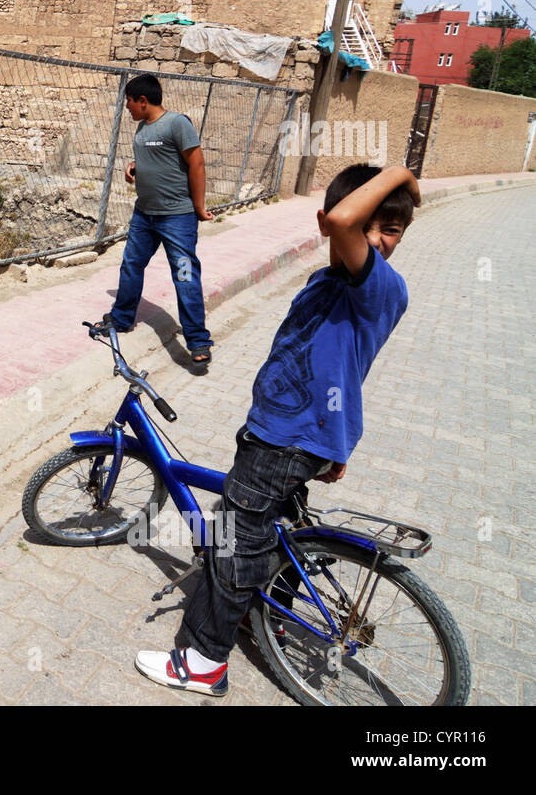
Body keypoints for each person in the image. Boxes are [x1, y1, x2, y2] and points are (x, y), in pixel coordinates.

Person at [134, 162, 420, 696]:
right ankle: (265, 616)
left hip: (285, 439)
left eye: (392, 230)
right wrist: (334, 442)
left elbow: (343, 220)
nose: (379, 241)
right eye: (371, 229)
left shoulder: (380, 287)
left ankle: (201, 660)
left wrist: (402, 173)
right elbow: (339, 363)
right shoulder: (327, 281)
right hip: (289, 433)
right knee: (267, 532)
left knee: (232, 543)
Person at [107, 74, 215, 364]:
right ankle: (120, 319)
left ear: (142, 101)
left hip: (176, 217)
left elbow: (197, 164)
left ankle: (198, 341)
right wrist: (134, 167)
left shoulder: (178, 123)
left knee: (184, 274)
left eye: (129, 101)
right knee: (131, 265)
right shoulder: (142, 129)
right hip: (144, 215)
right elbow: (156, 161)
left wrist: (199, 207)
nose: (126, 107)